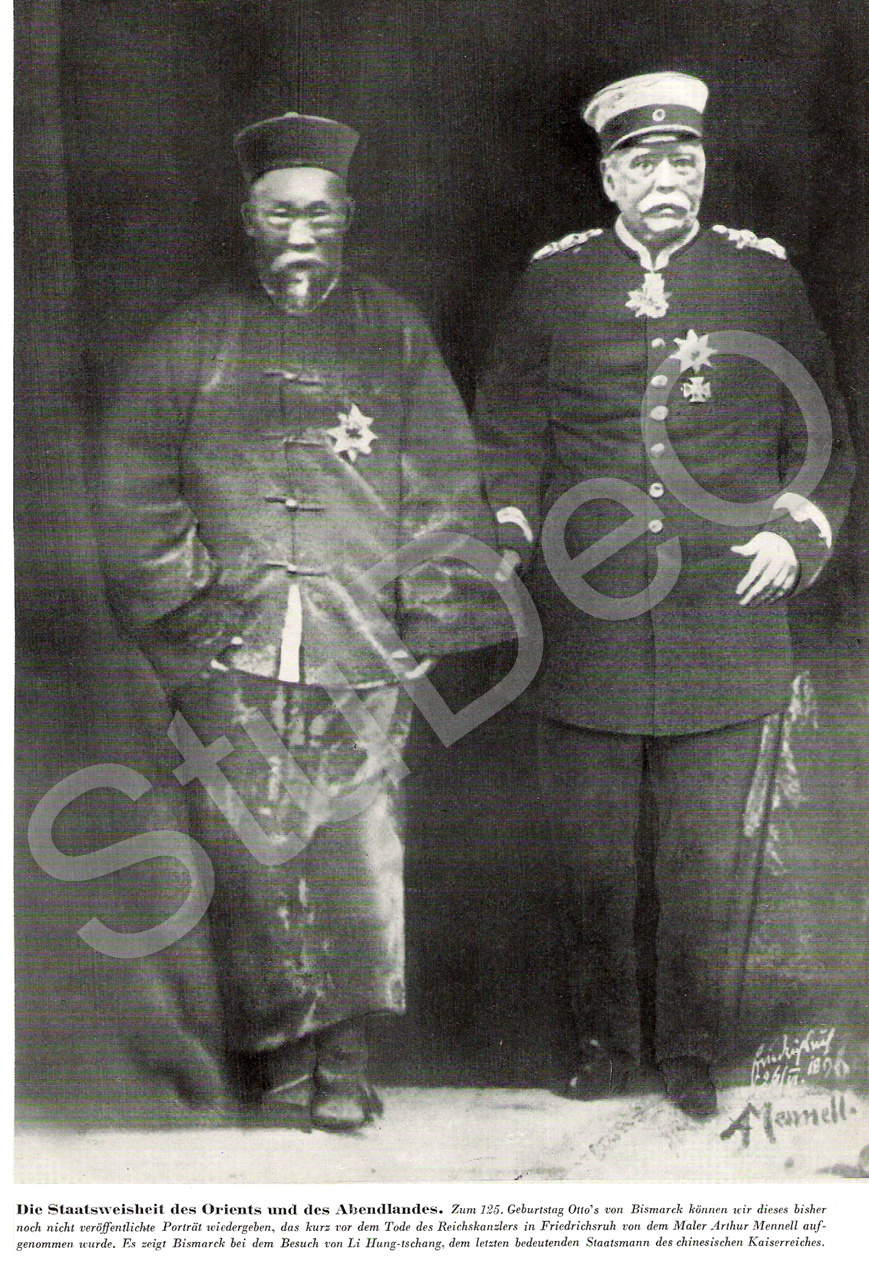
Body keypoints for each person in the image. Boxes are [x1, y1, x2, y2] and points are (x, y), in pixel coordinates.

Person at [96, 111, 513, 1131]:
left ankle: (346, 1062)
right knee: (250, 857)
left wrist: (425, 613)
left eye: (318, 214)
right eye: (279, 213)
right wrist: (192, 608)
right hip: (232, 650)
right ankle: (281, 1062)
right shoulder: (191, 340)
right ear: (248, 222)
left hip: (360, 640)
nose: (299, 232)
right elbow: (135, 483)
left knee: (359, 853)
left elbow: (442, 477)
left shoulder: (394, 335)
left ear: (346, 219)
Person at [474, 72, 854, 1118]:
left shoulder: (761, 280)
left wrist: (793, 533)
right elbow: (508, 426)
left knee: (701, 861)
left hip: (722, 617)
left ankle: (689, 1054)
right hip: (581, 619)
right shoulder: (553, 282)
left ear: (703, 168)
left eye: (682, 161)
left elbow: (823, 433)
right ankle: (603, 1046)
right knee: (590, 855)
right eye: (643, 163)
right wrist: (509, 528)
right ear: (608, 178)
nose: (666, 180)